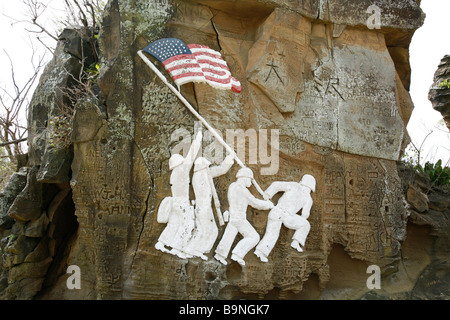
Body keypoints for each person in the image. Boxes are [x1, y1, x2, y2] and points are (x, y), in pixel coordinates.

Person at [155, 131, 203, 258]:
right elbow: (191, 156)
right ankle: (177, 248)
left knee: (174, 224)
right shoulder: (181, 171)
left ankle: (161, 242)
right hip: (181, 203)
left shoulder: (174, 174)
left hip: (175, 202)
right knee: (188, 224)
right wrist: (198, 140)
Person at [214, 167, 274, 266]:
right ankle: (237, 254)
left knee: (228, 236)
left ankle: (219, 255)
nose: (250, 183)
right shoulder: (242, 190)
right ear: (245, 178)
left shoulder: (233, 186)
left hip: (233, 217)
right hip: (239, 219)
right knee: (254, 237)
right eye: (250, 180)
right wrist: (268, 205)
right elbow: (254, 203)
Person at [182, 154, 234, 260]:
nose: (208, 167)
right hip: (204, 208)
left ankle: (197, 250)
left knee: (206, 230)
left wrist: (229, 159)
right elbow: (221, 170)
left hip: (203, 207)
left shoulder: (199, 175)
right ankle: (190, 250)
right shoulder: (202, 175)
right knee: (206, 230)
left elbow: (220, 170)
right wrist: (230, 159)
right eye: (206, 166)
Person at [254, 174, 316, 263]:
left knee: (305, 224)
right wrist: (268, 194)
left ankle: (295, 242)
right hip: (278, 211)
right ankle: (260, 252)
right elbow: (276, 185)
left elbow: (305, 214)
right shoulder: (295, 187)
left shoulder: (307, 197)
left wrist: (268, 194)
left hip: (288, 216)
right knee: (272, 234)